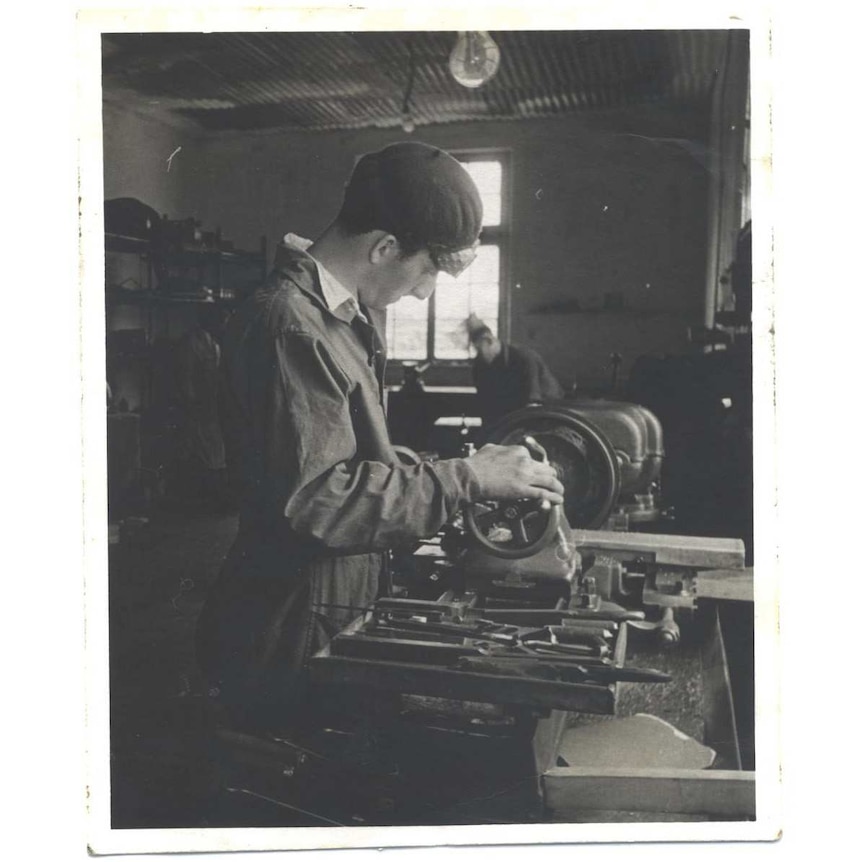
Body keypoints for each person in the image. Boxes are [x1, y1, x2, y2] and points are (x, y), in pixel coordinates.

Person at [195, 142, 563, 731]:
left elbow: (353, 457)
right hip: (287, 621)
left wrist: (471, 469)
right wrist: (465, 479)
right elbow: (316, 499)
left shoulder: (337, 318)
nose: (424, 293)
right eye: (428, 271)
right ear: (385, 247)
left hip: (328, 599)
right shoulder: (291, 324)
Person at [467, 317, 566, 430]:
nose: (478, 355)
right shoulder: (481, 364)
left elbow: (532, 402)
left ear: (489, 341)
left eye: (479, 350)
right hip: (513, 410)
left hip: (548, 410)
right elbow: (485, 401)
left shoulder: (524, 358)